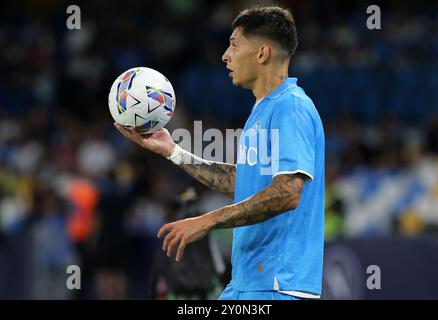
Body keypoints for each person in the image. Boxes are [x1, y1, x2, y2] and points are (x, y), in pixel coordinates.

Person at [115, 6, 325, 300]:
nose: (226, 55)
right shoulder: (262, 110)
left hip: (279, 286)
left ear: (262, 53)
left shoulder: (291, 107)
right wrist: (172, 151)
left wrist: (207, 220)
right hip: (246, 284)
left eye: (234, 44)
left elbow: (289, 192)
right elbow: (243, 184)